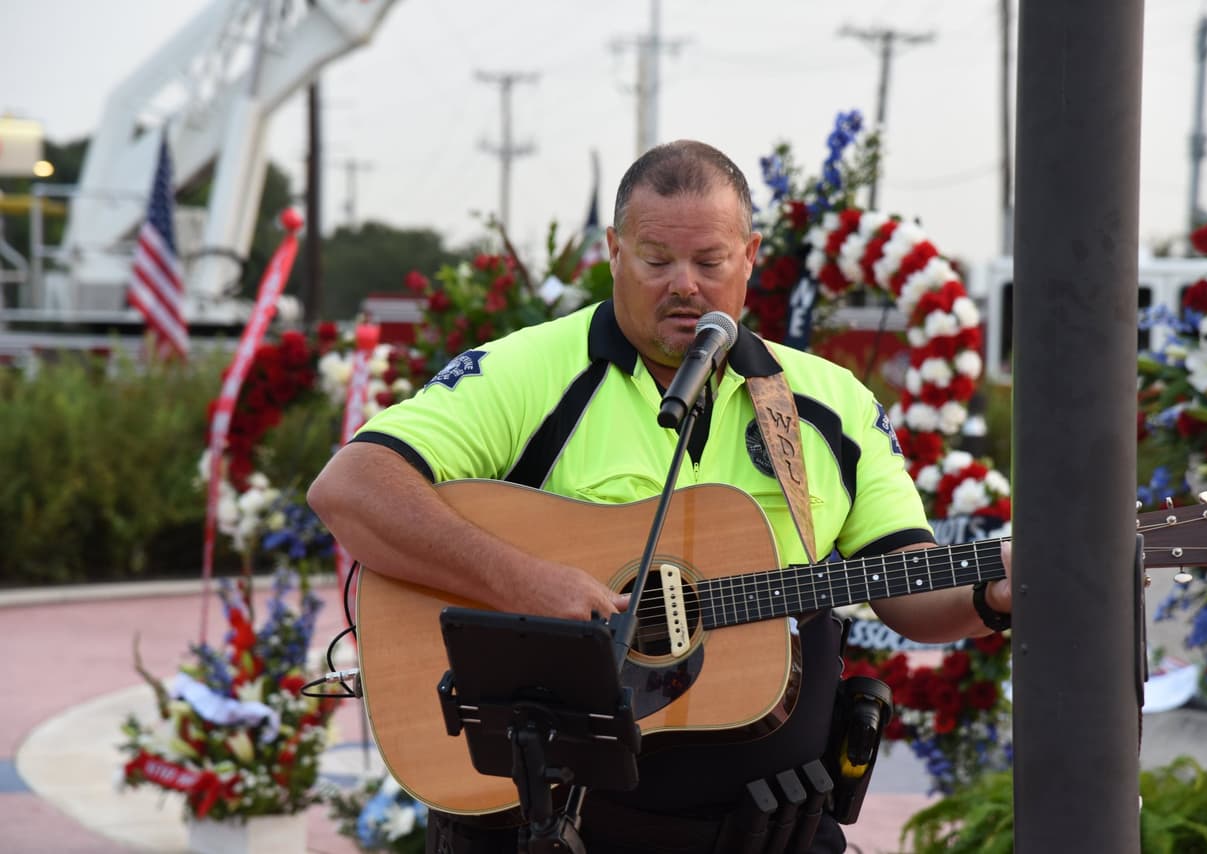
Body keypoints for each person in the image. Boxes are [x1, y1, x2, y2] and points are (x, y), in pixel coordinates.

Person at [307, 140, 1013, 854]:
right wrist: (527, 582)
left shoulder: (829, 402)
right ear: (614, 251)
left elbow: (904, 579)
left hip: (775, 831)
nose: (685, 286)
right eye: (656, 260)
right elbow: (351, 488)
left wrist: (992, 597)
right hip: (553, 828)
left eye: (710, 262)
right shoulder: (530, 371)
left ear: (750, 256)